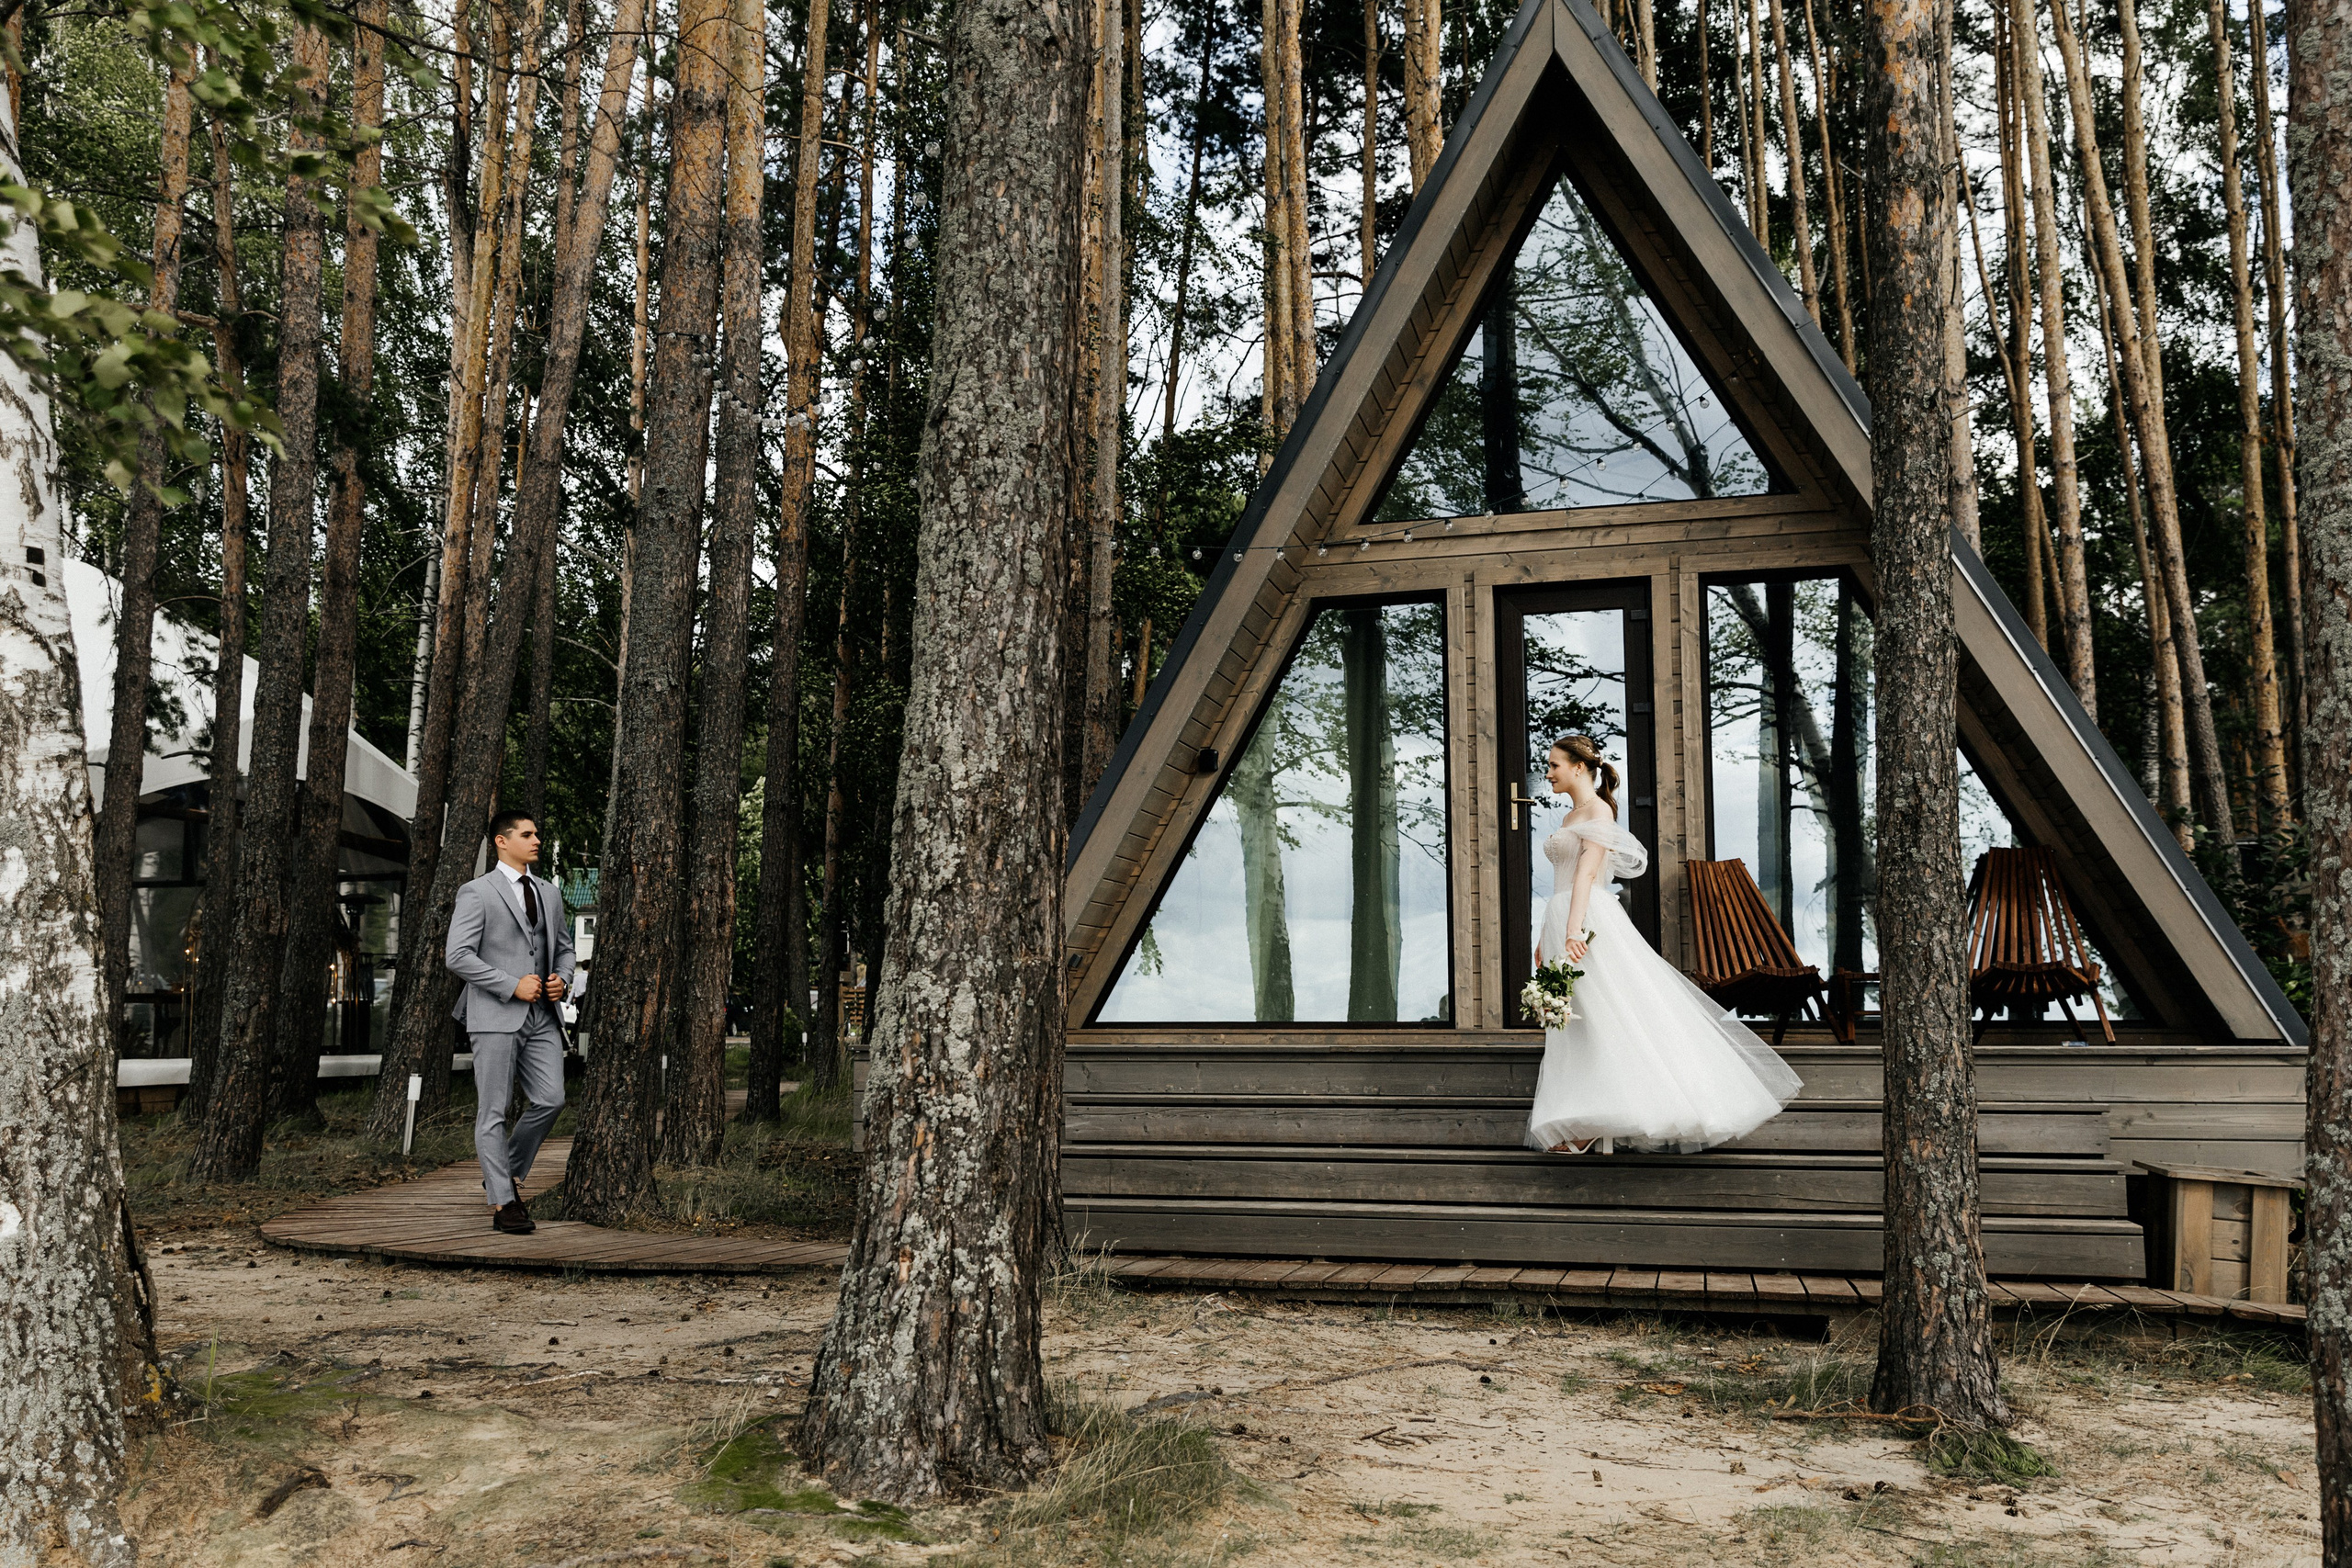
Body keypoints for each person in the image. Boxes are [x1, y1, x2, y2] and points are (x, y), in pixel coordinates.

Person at [1524, 734, 1801, 1155]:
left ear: (1579, 767)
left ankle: (1603, 1122)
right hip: (1564, 915)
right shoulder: (1570, 818)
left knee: (1607, 1016)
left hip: (1586, 918)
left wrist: (1573, 931)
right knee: (1580, 1020)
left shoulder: (1598, 811)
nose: (1549, 773)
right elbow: (1564, 880)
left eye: (1555, 765)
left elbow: (1585, 875)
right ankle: (1590, 1119)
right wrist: (1546, 937)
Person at [447, 810, 575, 1234]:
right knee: (494, 1111)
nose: (536, 839)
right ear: (502, 842)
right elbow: (458, 956)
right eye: (527, 834)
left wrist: (563, 979)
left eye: (537, 833)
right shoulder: (476, 892)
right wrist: (509, 984)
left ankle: (504, 1171)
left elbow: (564, 949)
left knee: (551, 1099)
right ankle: (504, 1203)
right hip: (494, 1014)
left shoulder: (550, 893)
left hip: (542, 1017)